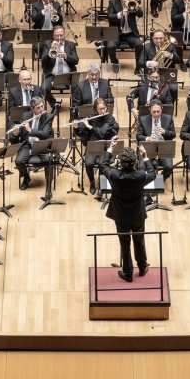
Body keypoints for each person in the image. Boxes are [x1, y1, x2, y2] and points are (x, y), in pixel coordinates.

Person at [102, 143, 156, 282]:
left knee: (124, 243)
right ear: (134, 163)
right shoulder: (140, 177)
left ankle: (128, 273)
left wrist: (110, 149)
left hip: (120, 215)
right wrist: (146, 157)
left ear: (120, 162)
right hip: (137, 214)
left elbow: (104, 166)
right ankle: (143, 267)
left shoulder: (114, 175)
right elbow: (153, 173)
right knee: (139, 240)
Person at [75, 97, 120, 197]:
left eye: (104, 108)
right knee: (88, 163)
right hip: (93, 145)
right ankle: (92, 182)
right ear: (95, 110)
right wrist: (76, 127)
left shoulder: (110, 119)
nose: (103, 111)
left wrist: (89, 126)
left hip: (106, 145)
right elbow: (82, 133)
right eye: (100, 109)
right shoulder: (91, 117)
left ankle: (101, 184)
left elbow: (102, 133)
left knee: (101, 163)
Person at [135, 99, 175, 184]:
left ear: (162, 109)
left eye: (158, 111)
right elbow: (138, 136)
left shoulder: (168, 118)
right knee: (142, 166)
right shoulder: (143, 119)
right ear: (149, 110)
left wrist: (165, 132)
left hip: (163, 148)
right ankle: (147, 183)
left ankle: (160, 180)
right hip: (148, 148)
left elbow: (173, 134)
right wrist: (148, 138)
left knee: (169, 167)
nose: (156, 114)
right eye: (154, 112)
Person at [105, 0, 143, 67]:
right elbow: (109, 17)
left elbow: (141, 14)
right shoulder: (112, 3)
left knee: (139, 45)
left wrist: (134, 7)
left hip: (130, 34)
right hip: (116, 34)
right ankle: (114, 62)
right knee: (110, 46)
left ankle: (138, 67)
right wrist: (120, 14)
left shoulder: (132, 2)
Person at [41, 24, 79, 107]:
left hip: (68, 75)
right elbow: (43, 60)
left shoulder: (71, 45)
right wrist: (51, 50)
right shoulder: (48, 44)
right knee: (43, 89)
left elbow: (76, 61)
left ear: (64, 34)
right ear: (53, 35)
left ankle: (74, 108)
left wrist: (66, 56)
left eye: (61, 35)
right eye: (56, 36)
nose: (59, 38)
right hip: (52, 75)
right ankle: (55, 105)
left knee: (76, 88)